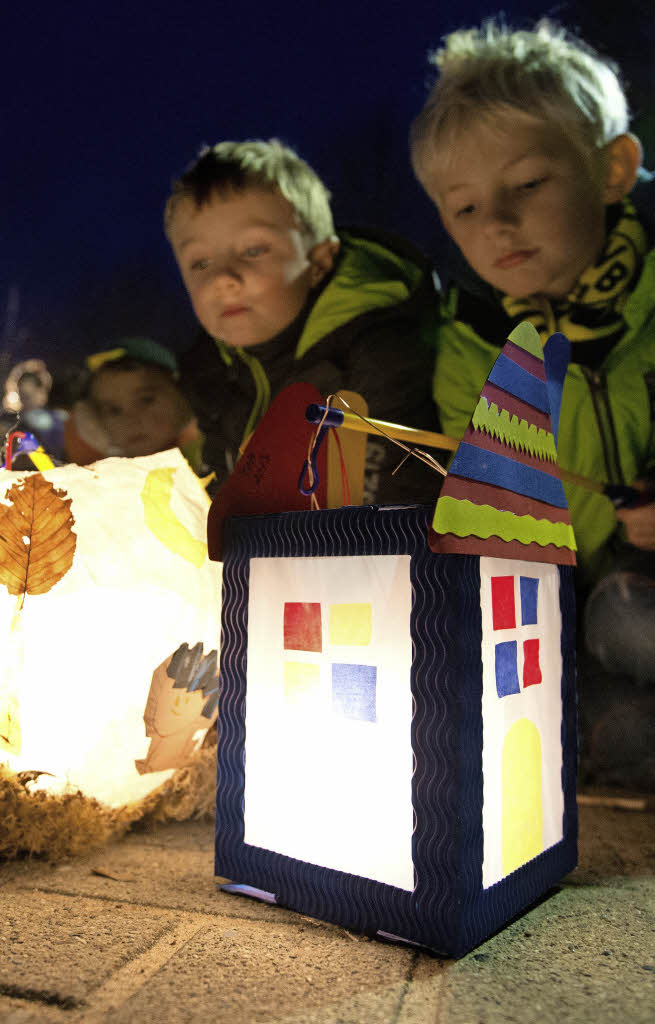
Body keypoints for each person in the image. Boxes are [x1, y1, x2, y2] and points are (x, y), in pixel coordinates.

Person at [409, 18, 655, 788]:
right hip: (563, 603)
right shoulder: (471, 340)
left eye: (526, 185)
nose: (498, 225)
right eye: (465, 207)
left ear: (612, 168)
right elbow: (488, 494)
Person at [164, 138, 441, 505]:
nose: (222, 279)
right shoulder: (211, 371)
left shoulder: (380, 350)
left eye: (253, 250)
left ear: (320, 262)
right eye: (200, 263)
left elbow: (394, 503)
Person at [64, 337, 205, 472]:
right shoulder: (102, 484)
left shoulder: (213, 452)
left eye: (146, 400)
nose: (130, 420)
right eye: (114, 410)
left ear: (182, 395)